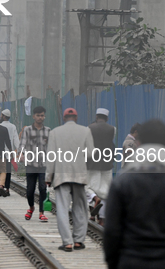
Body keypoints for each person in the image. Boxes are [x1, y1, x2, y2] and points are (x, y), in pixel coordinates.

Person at [104, 119, 165, 269]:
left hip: (131, 262)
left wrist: (115, 264)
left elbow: (111, 231)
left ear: (139, 144)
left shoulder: (122, 183)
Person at [46, 108, 95, 251]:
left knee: (62, 208)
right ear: (76, 117)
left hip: (61, 175)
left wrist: (48, 177)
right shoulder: (85, 131)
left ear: (64, 118)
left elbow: (51, 157)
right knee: (80, 208)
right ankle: (79, 241)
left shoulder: (54, 132)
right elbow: (91, 154)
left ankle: (67, 242)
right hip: (79, 175)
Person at [18, 106, 50, 221]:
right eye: (38, 115)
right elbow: (22, 144)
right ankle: (31, 207)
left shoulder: (48, 131)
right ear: (33, 116)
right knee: (30, 190)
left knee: (42, 188)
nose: (40, 117)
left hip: (43, 165)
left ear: (44, 116)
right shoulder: (27, 130)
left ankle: (42, 212)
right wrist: (21, 154)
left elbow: (51, 148)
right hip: (30, 163)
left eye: (42, 115)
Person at [86, 108, 116, 226]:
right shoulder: (112, 129)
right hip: (107, 164)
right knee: (105, 190)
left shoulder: (89, 128)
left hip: (92, 163)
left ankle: (93, 207)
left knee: (89, 187)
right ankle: (102, 218)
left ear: (96, 117)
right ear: (107, 118)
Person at [0, 109, 19, 196]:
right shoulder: (13, 127)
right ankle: (7, 189)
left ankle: (0, 186)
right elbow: (16, 140)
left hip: (1, 152)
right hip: (10, 153)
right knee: (8, 171)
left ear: (4, 116)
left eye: (1, 115)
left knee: (0, 170)